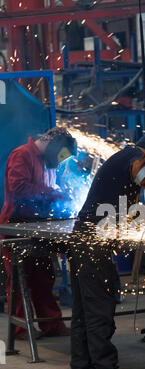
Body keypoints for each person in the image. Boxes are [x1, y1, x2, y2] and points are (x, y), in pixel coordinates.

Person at [69, 133, 145, 369]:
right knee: (100, 308)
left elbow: (123, 209)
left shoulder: (121, 158)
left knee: (84, 311)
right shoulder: (137, 160)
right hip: (93, 242)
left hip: (82, 238)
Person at [0, 127, 77, 340]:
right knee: (18, 279)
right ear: (53, 146)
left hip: (38, 226)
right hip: (15, 226)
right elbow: (19, 188)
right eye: (61, 156)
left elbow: (47, 191)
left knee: (44, 277)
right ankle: (21, 329)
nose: (60, 162)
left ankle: (52, 324)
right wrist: (52, 194)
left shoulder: (47, 161)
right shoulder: (22, 154)